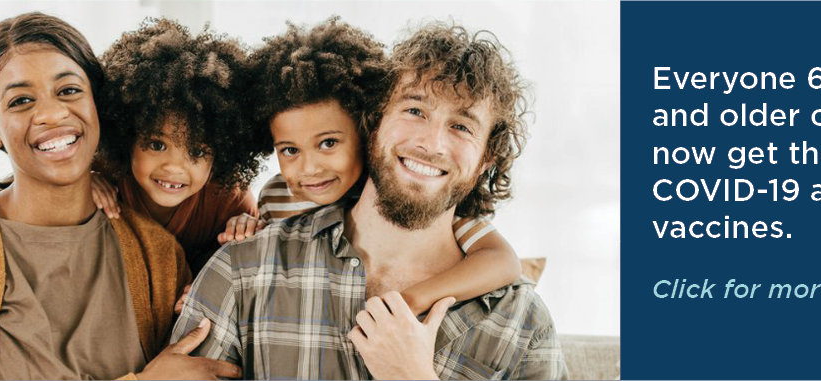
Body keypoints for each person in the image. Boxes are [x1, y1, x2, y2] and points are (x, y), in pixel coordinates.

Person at [171, 21, 567, 379]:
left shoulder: (522, 324)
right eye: (415, 110)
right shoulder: (241, 272)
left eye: (461, 126)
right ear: (374, 121)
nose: (431, 143)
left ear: (485, 162)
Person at [0, 12, 238, 380]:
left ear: (97, 106)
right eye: (21, 100)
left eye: (69, 91)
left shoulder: (158, 255)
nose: (52, 113)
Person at [226, 16, 522, 315]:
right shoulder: (275, 195)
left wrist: (412, 300)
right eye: (290, 150)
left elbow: (503, 260)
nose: (311, 168)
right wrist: (244, 226)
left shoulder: (396, 188)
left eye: (328, 143)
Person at [93, 18, 263, 274]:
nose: (174, 166)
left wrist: (248, 228)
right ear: (125, 138)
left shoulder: (229, 200)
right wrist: (77, 184)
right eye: (156, 144)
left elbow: (252, 267)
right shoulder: (105, 172)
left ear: (220, 155)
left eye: (196, 151)